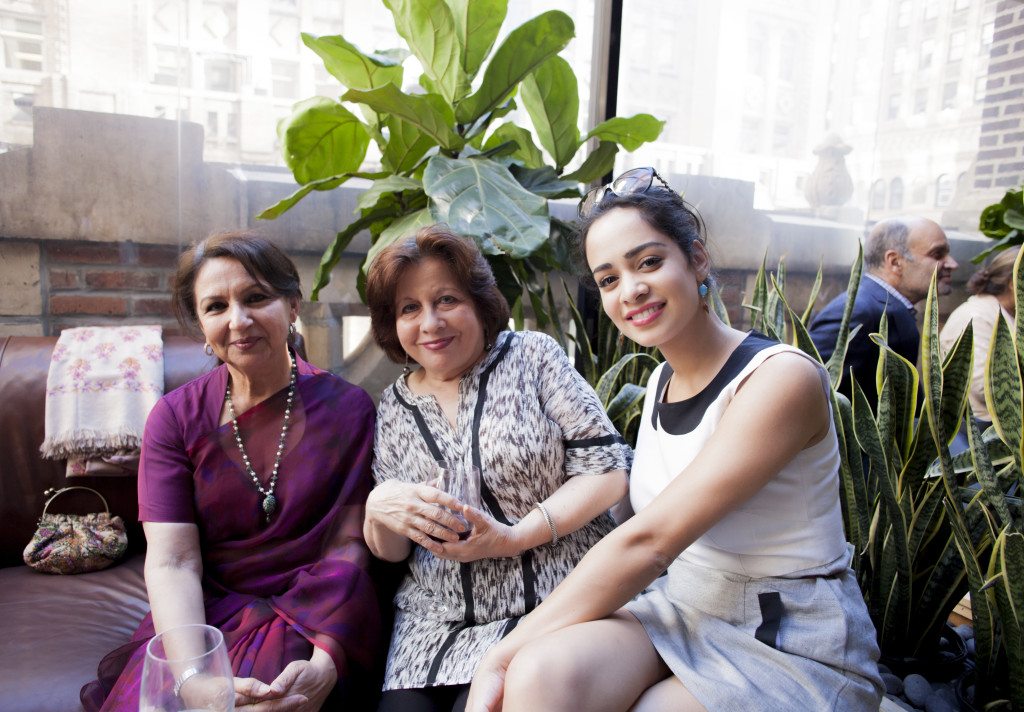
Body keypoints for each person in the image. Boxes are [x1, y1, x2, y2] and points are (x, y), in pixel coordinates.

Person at [466, 167, 883, 712]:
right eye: (609, 278)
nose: (631, 289)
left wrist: (496, 653)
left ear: (697, 259)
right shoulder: (662, 379)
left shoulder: (781, 379)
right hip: (685, 605)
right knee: (542, 673)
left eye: (649, 262)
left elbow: (650, 540)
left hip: (788, 634)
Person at [82, 231, 380, 712]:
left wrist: (329, 659)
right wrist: (193, 679)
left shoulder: (349, 409)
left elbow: (348, 548)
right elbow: (174, 561)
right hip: (206, 617)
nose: (238, 321)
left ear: (293, 305)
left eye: (256, 297)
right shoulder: (175, 419)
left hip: (316, 608)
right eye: (216, 307)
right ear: (201, 325)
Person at [363, 226, 631, 712]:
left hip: (551, 601)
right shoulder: (395, 406)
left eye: (446, 299)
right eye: (409, 308)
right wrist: (379, 510)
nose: (430, 323)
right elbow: (391, 550)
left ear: (480, 302)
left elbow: (608, 471)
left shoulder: (532, 356)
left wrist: (513, 537)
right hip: (433, 622)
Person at [809, 216, 958, 407]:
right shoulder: (859, 312)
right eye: (937, 254)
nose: (953, 264)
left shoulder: (890, 307)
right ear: (895, 261)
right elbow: (810, 389)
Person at [940, 247, 1019, 432]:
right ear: (1014, 283)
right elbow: (985, 387)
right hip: (979, 431)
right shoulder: (977, 316)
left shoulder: (1007, 314)